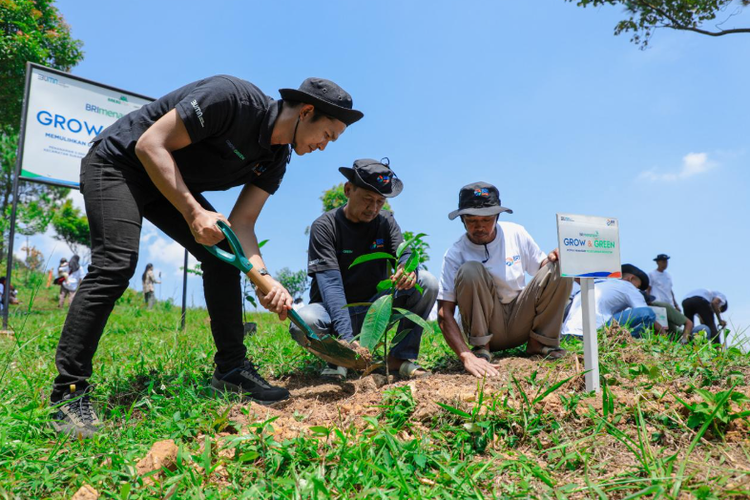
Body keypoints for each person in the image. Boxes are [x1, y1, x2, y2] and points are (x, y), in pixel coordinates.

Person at [50, 75, 363, 438]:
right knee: (116, 263)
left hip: (166, 182)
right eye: (327, 135)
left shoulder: (275, 159)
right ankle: (68, 393)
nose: (325, 146)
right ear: (307, 111)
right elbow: (150, 145)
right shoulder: (231, 100)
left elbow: (242, 225)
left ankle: (231, 372)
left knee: (222, 255)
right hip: (119, 163)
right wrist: (192, 212)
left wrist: (265, 281)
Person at [290, 159, 438, 379]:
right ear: (348, 190)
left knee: (426, 282)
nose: (374, 208)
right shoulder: (325, 227)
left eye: (380, 201)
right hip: (332, 312)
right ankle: (337, 360)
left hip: (375, 309)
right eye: (368, 199)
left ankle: (399, 359)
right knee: (304, 322)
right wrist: (348, 340)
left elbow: (404, 251)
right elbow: (331, 286)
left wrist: (407, 268)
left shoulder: (386, 221)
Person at [437, 182, 572, 379]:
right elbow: (444, 312)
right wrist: (466, 356)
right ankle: (481, 349)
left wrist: (558, 258)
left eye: (487, 219)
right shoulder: (455, 254)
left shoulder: (516, 233)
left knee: (560, 266)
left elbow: (544, 270)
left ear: (497, 217)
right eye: (472, 220)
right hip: (487, 326)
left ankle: (541, 343)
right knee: (470, 270)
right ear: (462, 220)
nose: (480, 226)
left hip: (521, 319)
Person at [562, 264, 666, 338]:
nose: (637, 290)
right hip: (592, 333)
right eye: (638, 286)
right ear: (631, 278)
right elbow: (644, 312)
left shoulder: (598, 283)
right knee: (648, 313)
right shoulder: (628, 286)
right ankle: (631, 343)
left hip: (567, 334)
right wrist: (664, 335)